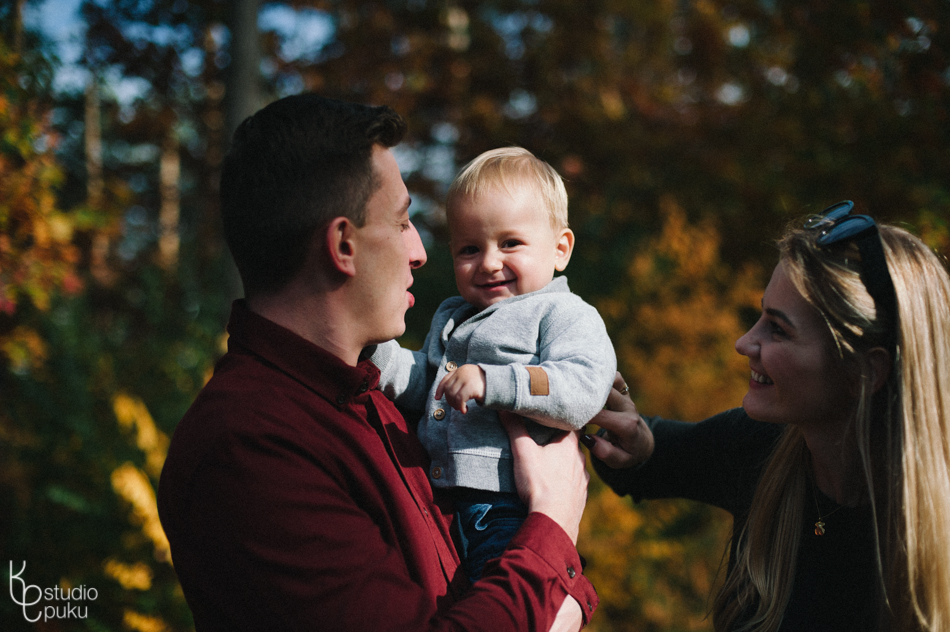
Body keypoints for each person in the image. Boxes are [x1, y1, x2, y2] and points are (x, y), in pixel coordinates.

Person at [157, 94, 599, 631]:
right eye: (402, 220)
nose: (420, 252)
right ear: (344, 245)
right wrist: (553, 523)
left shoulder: (371, 397)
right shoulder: (250, 450)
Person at [585, 201, 950, 631]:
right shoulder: (760, 448)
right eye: (761, 316)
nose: (744, 342)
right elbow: (650, 459)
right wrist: (636, 444)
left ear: (865, 371)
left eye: (778, 329)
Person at [372, 147, 616, 582]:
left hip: (509, 504)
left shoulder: (562, 314)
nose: (488, 262)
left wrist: (493, 381)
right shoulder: (455, 316)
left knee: (507, 593)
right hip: (441, 500)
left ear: (560, 249)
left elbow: (581, 388)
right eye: (469, 248)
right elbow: (431, 386)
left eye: (510, 243)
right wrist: (374, 351)